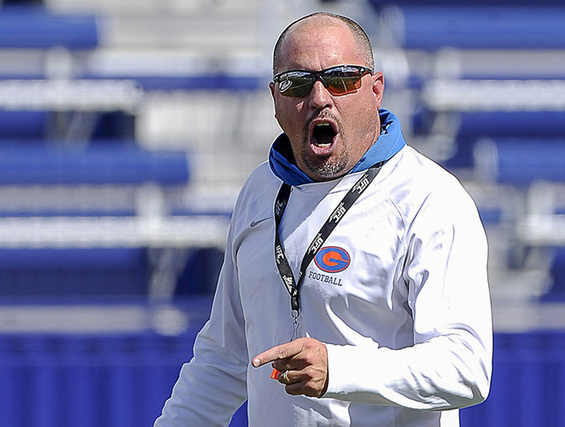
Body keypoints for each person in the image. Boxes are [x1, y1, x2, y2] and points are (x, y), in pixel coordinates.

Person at [155, 11, 492, 427]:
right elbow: (225, 358)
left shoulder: (430, 198)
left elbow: (467, 369)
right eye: (297, 82)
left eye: (341, 79)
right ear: (275, 100)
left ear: (376, 89)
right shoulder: (259, 191)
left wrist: (339, 370)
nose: (319, 98)